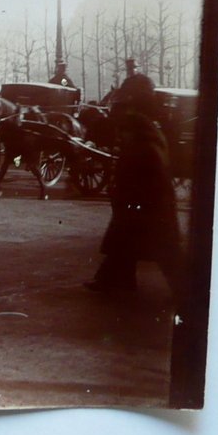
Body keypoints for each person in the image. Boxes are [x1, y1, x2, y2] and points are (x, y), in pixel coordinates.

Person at [85, 73, 181, 296]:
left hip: (147, 201)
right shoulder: (144, 129)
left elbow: (145, 166)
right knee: (125, 241)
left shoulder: (140, 132)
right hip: (144, 199)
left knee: (161, 249)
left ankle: (189, 293)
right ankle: (114, 281)